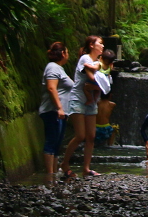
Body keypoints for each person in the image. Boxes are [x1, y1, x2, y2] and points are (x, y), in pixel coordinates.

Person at [59, 35, 104, 179]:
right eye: (100, 44)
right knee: (80, 135)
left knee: (91, 136)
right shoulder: (85, 59)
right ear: (91, 45)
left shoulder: (97, 62)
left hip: (90, 102)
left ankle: (86, 168)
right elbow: (93, 78)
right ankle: (64, 164)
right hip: (78, 100)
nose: (102, 46)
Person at [39, 42, 74, 177]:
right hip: (52, 111)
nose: (68, 55)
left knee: (56, 145)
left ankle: (53, 174)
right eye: (67, 52)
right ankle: (49, 175)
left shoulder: (59, 68)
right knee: (51, 142)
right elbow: (51, 87)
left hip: (61, 112)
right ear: (63, 54)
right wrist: (59, 108)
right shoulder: (52, 67)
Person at [93, 50, 118, 147]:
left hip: (96, 128)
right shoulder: (112, 104)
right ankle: (110, 144)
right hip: (106, 128)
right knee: (113, 130)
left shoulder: (97, 103)